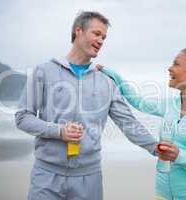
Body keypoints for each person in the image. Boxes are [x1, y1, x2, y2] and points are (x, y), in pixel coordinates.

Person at [15, 11, 158, 200]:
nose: (101, 41)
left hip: (89, 178)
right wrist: (59, 131)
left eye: (104, 37)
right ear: (78, 31)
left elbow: (128, 123)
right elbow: (23, 117)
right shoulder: (44, 71)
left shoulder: (107, 82)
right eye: (96, 34)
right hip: (46, 176)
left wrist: (156, 148)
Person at [97, 47, 186, 200]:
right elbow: (138, 101)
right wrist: (108, 72)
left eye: (176, 64)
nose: (170, 68)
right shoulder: (170, 105)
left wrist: (180, 156)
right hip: (161, 195)